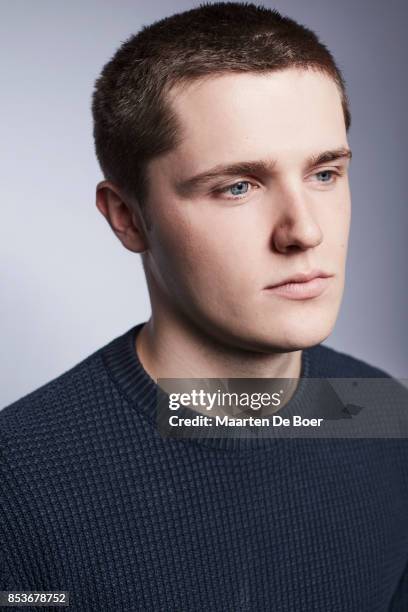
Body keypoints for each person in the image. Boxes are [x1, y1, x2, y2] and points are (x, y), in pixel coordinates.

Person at [1, 3, 407, 610]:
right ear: (127, 217)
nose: (305, 232)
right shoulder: (19, 481)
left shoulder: (381, 414)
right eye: (237, 186)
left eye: (324, 173)